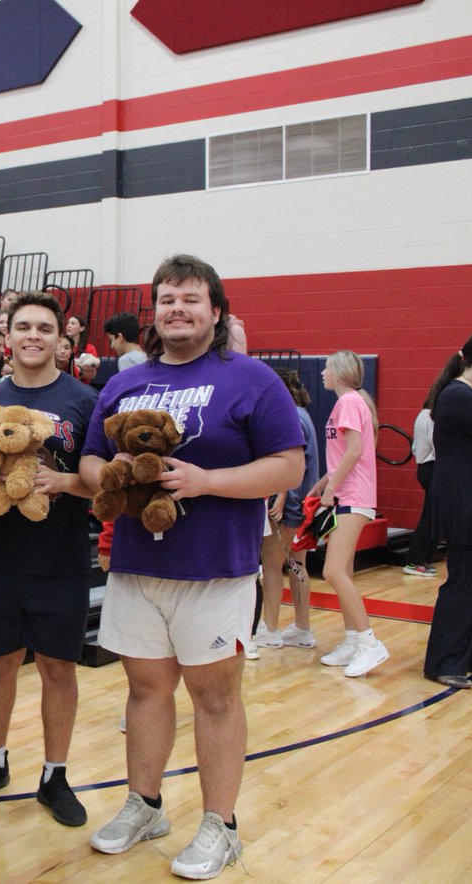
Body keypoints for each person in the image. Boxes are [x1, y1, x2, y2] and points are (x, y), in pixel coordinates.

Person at [79, 254, 303, 880]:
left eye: (191, 299)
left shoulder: (253, 378)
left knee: (215, 698)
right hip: (135, 568)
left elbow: (288, 465)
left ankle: (220, 824)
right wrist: (115, 478)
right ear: (155, 312)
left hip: (217, 570)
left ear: (216, 310)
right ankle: (145, 804)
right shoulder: (125, 384)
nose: (178, 309)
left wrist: (207, 481)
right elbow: (93, 463)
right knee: (145, 691)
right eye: (168, 299)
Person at [0, 292, 97, 829]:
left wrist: (63, 481)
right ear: (5, 337)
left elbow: (101, 479)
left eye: (44, 328)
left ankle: (55, 774)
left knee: (59, 667)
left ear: (63, 341)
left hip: (60, 556)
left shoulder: (85, 399)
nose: (33, 336)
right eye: (23, 327)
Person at [311, 350, 389, 677]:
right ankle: (353, 640)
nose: (322, 373)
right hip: (348, 493)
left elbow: (355, 451)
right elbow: (345, 453)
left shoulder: (348, 403)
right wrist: (321, 484)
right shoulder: (352, 402)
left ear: (339, 371)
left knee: (332, 571)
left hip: (352, 497)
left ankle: (370, 643)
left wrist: (331, 489)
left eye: (326, 368)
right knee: (344, 569)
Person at [422, 333, 472, 689]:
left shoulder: (466, 396)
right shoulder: (459, 396)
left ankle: (469, 656)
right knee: (465, 583)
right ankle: (443, 663)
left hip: (471, 502)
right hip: (466, 505)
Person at [256, 368, 320, 649]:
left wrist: (281, 498)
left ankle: (269, 629)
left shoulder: (289, 416)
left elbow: (289, 463)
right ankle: (302, 628)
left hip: (288, 505)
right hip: (303, 504)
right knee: (298, 565)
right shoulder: (302, 413)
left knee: (271, 567)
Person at [404, 386, 439, 577]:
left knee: (433, 516)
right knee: (430, 517)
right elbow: (437, 443)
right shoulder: (432, 417)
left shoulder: (422, 415)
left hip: (424, 468)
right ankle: (414, 560)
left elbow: (416, 448)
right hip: (432, 468)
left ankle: (421, 559)